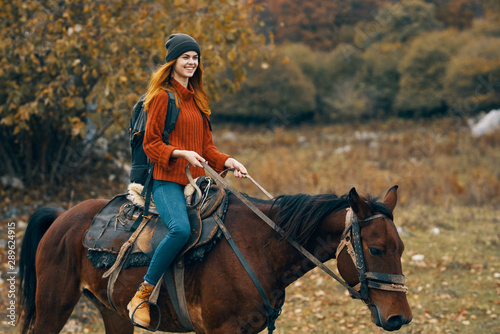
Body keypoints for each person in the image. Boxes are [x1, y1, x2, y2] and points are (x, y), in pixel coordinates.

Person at [127, 33, 247, 327]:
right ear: (173, 62)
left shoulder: (198, 101)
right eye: (186, 57)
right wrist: (181, 154)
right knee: (180, 230)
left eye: (195, 57)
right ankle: (142, 294)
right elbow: (151, 145)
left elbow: (206, 149)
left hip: (197, 183)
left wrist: (229, 161)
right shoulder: (160, 98)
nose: (192, 62)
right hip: (167, 180)